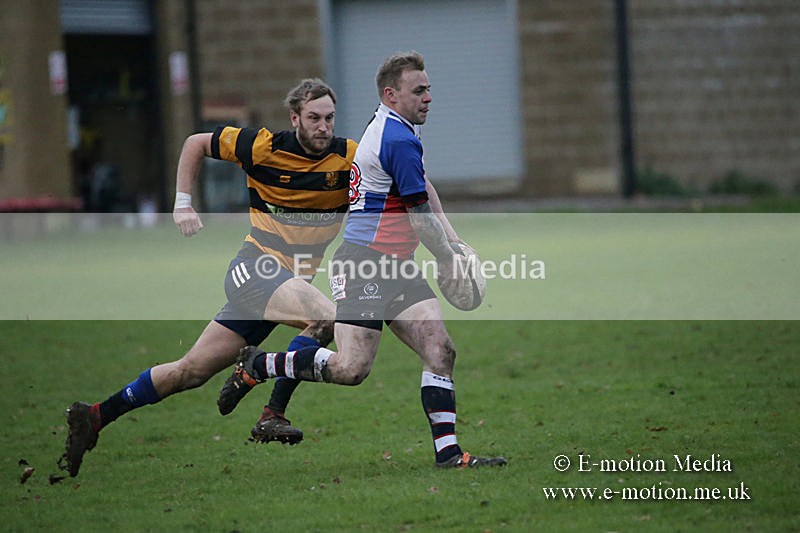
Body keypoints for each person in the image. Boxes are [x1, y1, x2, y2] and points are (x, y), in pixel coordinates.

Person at [218, 52, 507, 468]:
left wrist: (454, 240)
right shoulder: (396, 139)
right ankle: (262, 363)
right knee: (351, 369)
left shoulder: (398, 127)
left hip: (398, 265)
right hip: (363, 265)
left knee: (440, 350)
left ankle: (448, 454)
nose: (428, 97)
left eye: (428, 89)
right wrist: (447, 258)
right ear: (391, 94)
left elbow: (422, 187)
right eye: (419, 90)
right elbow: (419, 216)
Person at [61, 78, 357, 477]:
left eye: (329, 118)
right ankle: (271, 411)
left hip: (286, 287)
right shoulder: (263, 146)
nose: (323, 127)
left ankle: (96, 415)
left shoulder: (349, 158)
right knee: (325, 318)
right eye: (314, 118)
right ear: (295, 118)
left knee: (190, 371)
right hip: (255, 270)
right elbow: (195, 143)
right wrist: (183, 203)